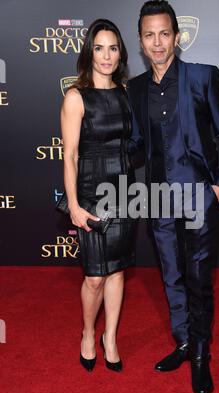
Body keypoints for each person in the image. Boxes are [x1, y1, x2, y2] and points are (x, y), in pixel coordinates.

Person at [127, 1, 219, 393]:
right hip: (156, 197)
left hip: (199, 196)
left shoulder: (203, 77)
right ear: (140, 41)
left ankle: (202, 355)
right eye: (148, 35)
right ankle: (184, 343)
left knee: (198, 279)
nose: (157, 43)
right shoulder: (136, 89)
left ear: (177, 36)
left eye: (164, 33)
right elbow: (137, 145)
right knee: (171, 276)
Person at [61, 18, 136, 373]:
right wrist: (74, 204)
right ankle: (88, 332)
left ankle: (111, 338)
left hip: (122, 190)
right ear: (89, 52)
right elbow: (70, 154)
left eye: (113, 48)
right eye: (99, 47)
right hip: (91, 193)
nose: (106, 56)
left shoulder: (125, 92)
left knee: (117, 271)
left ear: (120, 53)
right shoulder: (76, 96)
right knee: (94, 276)